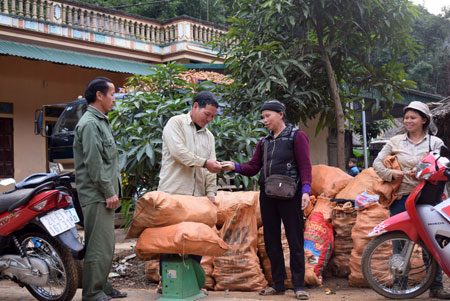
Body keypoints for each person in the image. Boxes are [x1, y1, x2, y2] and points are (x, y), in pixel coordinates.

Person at [222, 100, 311, 300]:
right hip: (268, 195)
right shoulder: (265, 142)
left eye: (267, 116)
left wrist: (305, 190)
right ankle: (278, 284)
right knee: (271, 241)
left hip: (291, 195)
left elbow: (305, 166)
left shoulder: (297, 136)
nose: (264, 120)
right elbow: (253, 167)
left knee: (295, 240)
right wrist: (234, 166)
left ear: (280, 114)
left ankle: (298, 285)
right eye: (262, 117)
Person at [373, 101, 450, 299]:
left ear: (424, 119)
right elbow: (377, 163)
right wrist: (392, 174)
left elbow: (444, 167)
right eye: (406, 117)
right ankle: (400, 286)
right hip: (402, 197)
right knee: (399, 242)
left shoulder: (435, 143)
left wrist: (427, 172)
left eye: (413, 117)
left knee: (431, 242)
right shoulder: (395, 141)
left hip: (428, 198)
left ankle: (436, 286)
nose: (408, 121)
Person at [156, 90, 222, 293]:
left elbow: (212, 168)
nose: (209, 119)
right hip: (174, 193)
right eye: (207, 114)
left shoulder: (209, 136)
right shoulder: (175, 123)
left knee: (196, 242)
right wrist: (204, 163)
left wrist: (211, 194)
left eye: (212, 116)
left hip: (198, 198)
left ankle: (192, 284)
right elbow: (179, 153)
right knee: (171, 241)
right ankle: (166, 283)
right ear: (195, 107)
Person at [73, 77, 127, 301]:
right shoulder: (89, 124)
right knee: (98, 245)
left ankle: (102, 286)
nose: (114, 98)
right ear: (99, 95)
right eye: (112, 93)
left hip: (103, 194)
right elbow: (94, 164)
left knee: (106, 245)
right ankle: (92, 292)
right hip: (97, 195)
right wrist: (108, 192)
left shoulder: (100, 121)